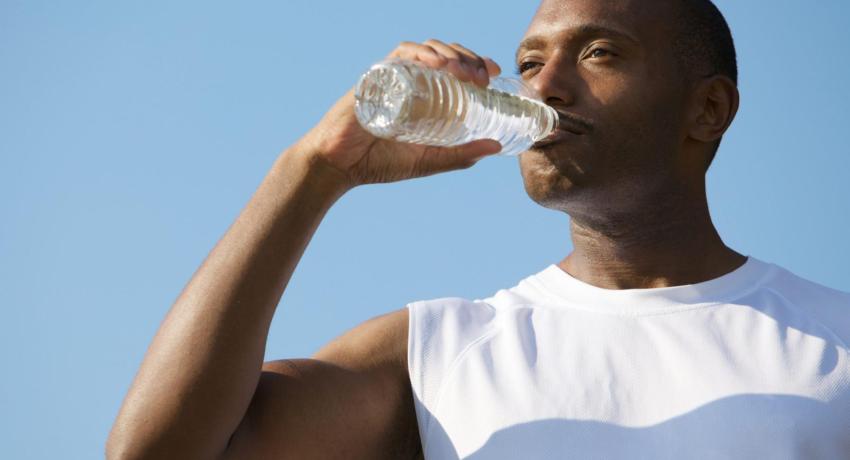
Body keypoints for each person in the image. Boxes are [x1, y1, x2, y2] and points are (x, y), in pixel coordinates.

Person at [106, 0, 850, 458]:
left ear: (709, 110)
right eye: (529, 63)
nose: (546, 85)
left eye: (598, 52)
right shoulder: (435, 355)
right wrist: (314, 170)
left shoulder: (835, 343)